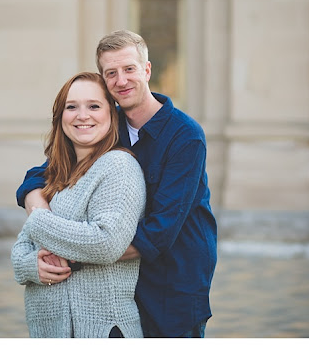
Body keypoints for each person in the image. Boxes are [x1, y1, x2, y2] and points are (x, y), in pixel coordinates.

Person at [17, 30, 218, 338]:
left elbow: (159, 233)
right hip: (122, 281)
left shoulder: (185, 136)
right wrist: (37, 206)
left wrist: (58, 255)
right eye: (111, 73)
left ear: (147, 70)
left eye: (129, 69)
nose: (121, 80)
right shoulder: (108, 125)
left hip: (174, 280)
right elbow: (45, 174)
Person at [11, 71, 146, 338]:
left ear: (112, 114)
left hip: (101, 328)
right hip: (49, 329)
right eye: (71, 107)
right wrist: (32, 267)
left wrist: (37, 216)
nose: (82, 115)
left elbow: (106, 243)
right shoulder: (54, 173)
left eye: (94, 106)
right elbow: (21, 248)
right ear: (60, 117)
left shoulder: (118, 166)